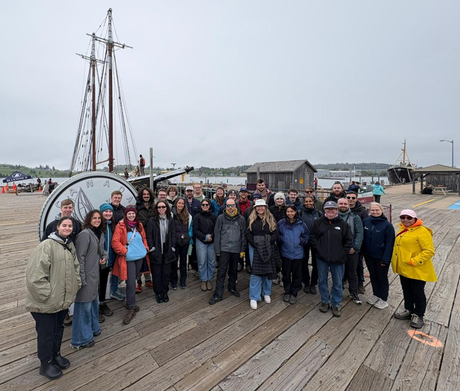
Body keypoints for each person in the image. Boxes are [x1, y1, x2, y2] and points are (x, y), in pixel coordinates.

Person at [26, 217, 81, 380]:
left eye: (70, 225)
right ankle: (45, 363)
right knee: (46, 333)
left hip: (62, 300)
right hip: (47, 303)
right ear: (57, 227)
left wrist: (75, 285)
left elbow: (75, 267)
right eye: (64, 225)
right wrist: (49, 296)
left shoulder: (69, 245)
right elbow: (35, 277)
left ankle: (56, 354)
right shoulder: (46, 246)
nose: (67, 228)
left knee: (58, 330)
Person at [392, 209, 436, 329]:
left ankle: (419, 314)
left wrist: (414, 261)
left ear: (415, 219)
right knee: (407, 290)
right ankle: (409, 310)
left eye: (409, 218)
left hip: (416, 269)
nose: (405, 220)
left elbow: (429, 251)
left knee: (418, 293)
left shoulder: (422, 231)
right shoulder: (403, 228)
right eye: (403, 217)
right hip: (403, 268)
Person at [71, 210, 107, 349]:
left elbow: (102, 251)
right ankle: (80, 339)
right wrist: (81, 278)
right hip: (85, 276)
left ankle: (93, 328)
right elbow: (79, 258)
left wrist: (105, 257)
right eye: (94, 218)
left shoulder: (100, 233)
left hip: (94, 275)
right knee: (83, 307)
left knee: (93, 304)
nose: (97, 220)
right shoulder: (85, 234)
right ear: (89, 219)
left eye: (99, 218)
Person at [310, 201, 352, 317]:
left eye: (333, 209)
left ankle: (336, 303)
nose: (330, 211)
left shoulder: (343, 224)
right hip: (322, 258)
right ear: (324, 210)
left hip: (338, 259)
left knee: (337, 282)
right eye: (328, 209)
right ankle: (324, 301)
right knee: (322, 280)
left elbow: (348, 240)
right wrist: (318, 249)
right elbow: (312, 237)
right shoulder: (318, 223)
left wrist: (342, 253)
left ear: (337, 210)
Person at [112, 205, 149, 324]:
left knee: (134, 278)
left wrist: (146, 248)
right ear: (126, 214)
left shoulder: (139, 225)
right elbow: (115, 242)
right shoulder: (121, 225)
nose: (131, 215)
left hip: (140, 256)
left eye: (133, 213)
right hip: (129, 258)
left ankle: (130, 301)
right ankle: (131, 304)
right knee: (131, 280)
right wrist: (125, 251)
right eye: (129, 214)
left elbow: (144, 238)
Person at [209, 198, 246, 304]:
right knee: (221, 272)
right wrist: (217, 250)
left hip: (236, 249)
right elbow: (217, 235)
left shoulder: (241, 219)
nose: (230, 208)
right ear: (225, 206)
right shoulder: (220, 218)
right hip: (224, 249)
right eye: (228, 206)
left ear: (236, 206)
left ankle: (232, 287)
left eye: (232, 205)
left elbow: (243, 235)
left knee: (234, 271)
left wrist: (242, 249)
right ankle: (218, 294)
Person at [361, 202, 395, 310]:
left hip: (381, 257)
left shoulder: (387, 226)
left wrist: (386, 259)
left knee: (382, 277)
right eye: (373, 210)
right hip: (369, 255)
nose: (375, 212)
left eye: (377, 210)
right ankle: (376, 295)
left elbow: (390, 244)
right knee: (373, 276)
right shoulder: (366, 222)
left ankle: (383, 299)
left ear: (382, 211)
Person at [246, 199, 278, 310]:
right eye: (258, 207)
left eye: (262, 206)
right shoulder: (251, 218)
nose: (260, 208)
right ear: (255, 208)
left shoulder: (271, 218)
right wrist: (254, 243)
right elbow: (248, 233)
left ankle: (266, 292)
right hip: (254, 247)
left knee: (268, 270)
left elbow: (275, 232)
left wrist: (269, 241)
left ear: (265, 207)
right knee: (256, 272)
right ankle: (254, 296)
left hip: (268, 246)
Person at [146, 201, 177, 304]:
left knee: (166, 273)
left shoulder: (170, 220)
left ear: (166, 208)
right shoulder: (152, 221)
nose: (161, 208)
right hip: (156, 250)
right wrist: (152, 247)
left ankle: (165, 291)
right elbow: (149, 235)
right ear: (156, 209)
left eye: (163, 206)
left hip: (167, 249)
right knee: (156, 273)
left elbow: (173, 234)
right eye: (159, 207)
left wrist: (173, 246)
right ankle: (158, 292)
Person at [277, 205, 309, 304]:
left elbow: (307, 235)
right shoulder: (281, 223)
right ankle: (287, 291)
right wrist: (281, 239)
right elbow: (277, 234)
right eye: (288, 211)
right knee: (286, 274)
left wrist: (302, 241)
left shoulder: (301, 224)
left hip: (298, 253)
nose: (290, 213)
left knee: (297, 274)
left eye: (292, 211)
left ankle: (294, 292)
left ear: (295, 212)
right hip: (286, 252)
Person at [337, 198, 364, 305]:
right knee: (337, 272)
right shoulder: (334, 216)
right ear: (337, 205)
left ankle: (354, 292)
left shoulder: (355, 217)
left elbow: (359, 233)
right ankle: (338, 291)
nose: (343, 205)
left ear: (348, 205)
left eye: (345, 204)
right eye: (341, 204)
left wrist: (356, 247)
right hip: (337, 249)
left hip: (351, 249)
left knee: (352, 272)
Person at [299, 195, 323, 294]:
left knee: (315, 263)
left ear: (313, 202)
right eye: (306, 201)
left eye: (310, 201)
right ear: (304, 203)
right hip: (304, 241)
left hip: (315, 241)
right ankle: (306, 282)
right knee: (303, 263)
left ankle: (313, 283)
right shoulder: (300, 213)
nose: (308, 203)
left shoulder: (319, 213)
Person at [347, 191, 369, 294]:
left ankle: (360, 283)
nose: (350, 199)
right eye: (348, 197)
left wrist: (360, 243)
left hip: (357, 241)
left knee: (359, 264)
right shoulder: (343, 209)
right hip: (346, 242)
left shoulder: (362, 212)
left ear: (356, 199)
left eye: (353, 198)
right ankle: (345, 280)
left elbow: (365, 228)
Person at [194, 198, 217, 291]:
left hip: (212, 241)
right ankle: (203, 279)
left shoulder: (214, 216)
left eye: (207, 204)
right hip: (201, 241)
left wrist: (211, 236)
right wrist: (204, 237)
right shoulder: (197, 216)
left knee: (211, 262)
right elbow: (195, 230)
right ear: (201, 206)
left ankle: (209, 279)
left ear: (209, 206)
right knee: (202, 261)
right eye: (203, 204)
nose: (205, 206)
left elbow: (216, 228)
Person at [135, 188, 154, 292]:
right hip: (139, 236)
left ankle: (148, 279)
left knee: (149, 258)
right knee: (139, 259)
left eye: (148, 194)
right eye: (144, 194)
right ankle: (138, 282)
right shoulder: (137, 207)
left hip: (151, 235)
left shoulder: (154, 206)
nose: (146, 196)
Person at [172, 197, 193, 289]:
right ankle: (174, 281)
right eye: (179, 203)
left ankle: (183, 281)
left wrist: (188, 238)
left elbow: (190, 229)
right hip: (175, 242)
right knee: (174, 262)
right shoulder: (171, 215)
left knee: (183, 263)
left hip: (184, 242)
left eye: (182, 204)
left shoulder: (188, 216)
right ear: (176, 203)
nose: (180, 205)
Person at [98, 204, 115, 318]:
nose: (108, 213)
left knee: (103, 281)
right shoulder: (98, 226)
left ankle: (102, 303)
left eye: (110, 211)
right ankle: (95, 306)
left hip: (108, 261)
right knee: (95, 284)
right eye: (106, 211)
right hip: (98, 261)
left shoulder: (112, 225)